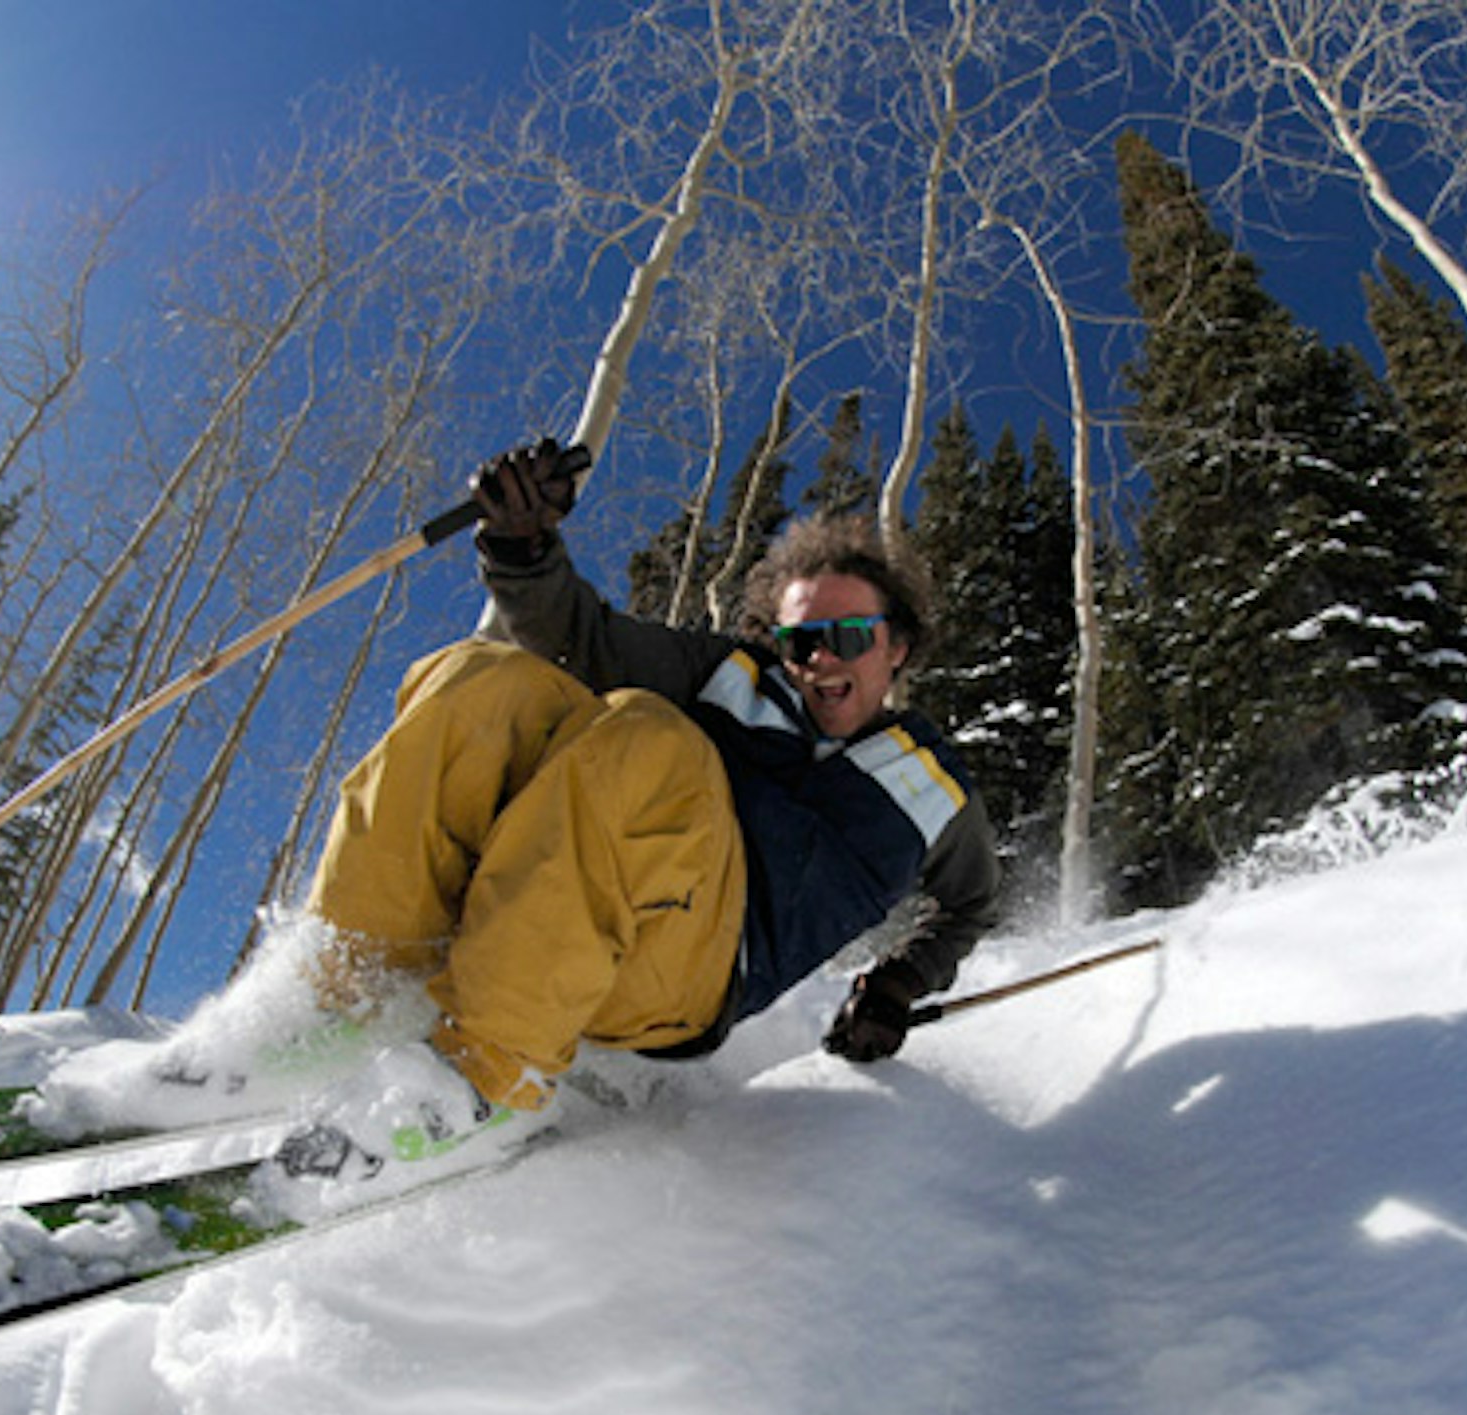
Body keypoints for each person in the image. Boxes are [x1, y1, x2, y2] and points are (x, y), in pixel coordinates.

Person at [270, 438, 999, 1195]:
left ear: (899, 647)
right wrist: (523, 546)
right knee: (480, 677)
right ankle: (346, 984)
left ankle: (484, 1075)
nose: (820, 661)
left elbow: (972, 903)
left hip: (688, 982)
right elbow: (580, 639)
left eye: (849, 637)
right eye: (800, 641)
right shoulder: (731, 675)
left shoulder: (934, 790)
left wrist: (898, 985)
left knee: (649, 736)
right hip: (576, 926)